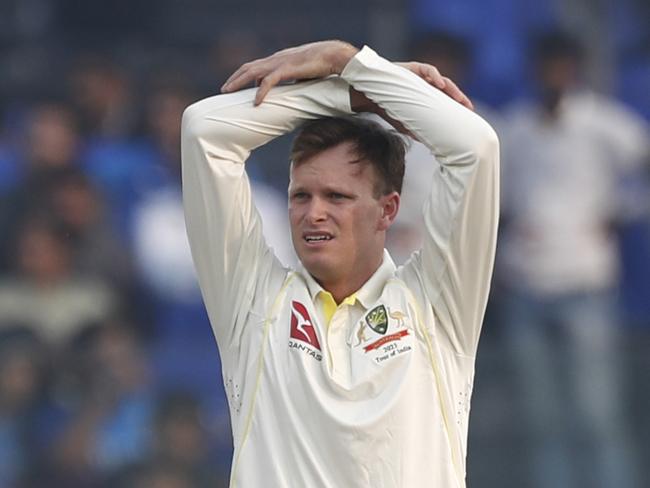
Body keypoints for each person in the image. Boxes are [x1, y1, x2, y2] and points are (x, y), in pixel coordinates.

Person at [182, 40, 499, 487]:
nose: (314, 213)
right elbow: (203, 129)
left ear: (388, 210)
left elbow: (476, 145)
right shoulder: (253, 302)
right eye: (301, 196)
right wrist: (352, 94)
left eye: (337, 197)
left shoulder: (436, 306)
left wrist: (345, 61)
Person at [498, 31, 648, 488]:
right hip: (526, 280)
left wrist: (619, 211)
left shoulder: (603, 123)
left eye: (562, 65)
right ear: (534, 70)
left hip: (585, 281)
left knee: (596, 413)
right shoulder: (515, 128)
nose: (554, 74)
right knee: (543, 419)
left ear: (575, 69)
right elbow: (495, 196)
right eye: (547, 65)